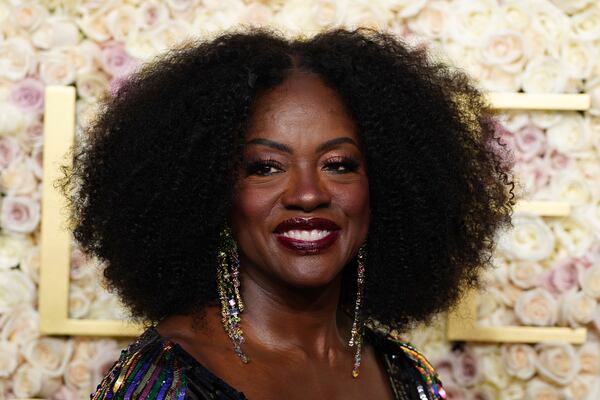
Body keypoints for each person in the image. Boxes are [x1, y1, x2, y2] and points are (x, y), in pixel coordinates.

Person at [59, 27, 514, 400]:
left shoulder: (408, 376)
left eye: (338, 164)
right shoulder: (168, 380)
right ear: (211, 192)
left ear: (386, 188)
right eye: (264, 167)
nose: (308, 194)